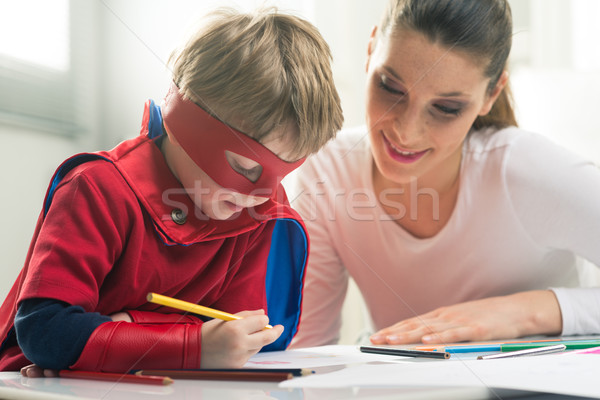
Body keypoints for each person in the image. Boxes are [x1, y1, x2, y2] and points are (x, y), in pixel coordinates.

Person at [0, 7, 343, 374]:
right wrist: (189, 346)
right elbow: (44, 332)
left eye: (285, 171)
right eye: (245, 167)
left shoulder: (255, 211)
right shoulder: (96, 189)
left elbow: (238, 337)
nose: (261, 194)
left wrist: (134, 326)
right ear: (188, 123)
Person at [289, 0, 600, 349]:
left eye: (446, 108)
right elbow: (308, 351)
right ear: (371, 49)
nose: (406, 132)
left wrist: (529, 312)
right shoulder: (328, 169)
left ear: (491, 94)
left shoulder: (530, 171)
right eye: (390, 87)